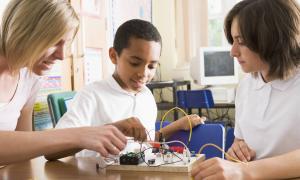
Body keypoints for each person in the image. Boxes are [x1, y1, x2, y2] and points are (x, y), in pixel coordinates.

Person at [45, 19, 205, 160]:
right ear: (114, 56)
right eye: (135, 63)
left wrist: (177, 126)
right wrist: (113, 129)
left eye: (151, 66)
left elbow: (143, 143)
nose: (143, 73)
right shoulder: (92, 95)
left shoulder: (146, 96)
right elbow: (50, 150)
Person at [0, 0, 127, 165]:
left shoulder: (30, 78)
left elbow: (24, 153)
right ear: (25, 31)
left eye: (65, 44)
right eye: (54, 42)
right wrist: (77, 135)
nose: (61, 55)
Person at [192, 0, 300, 179]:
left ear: (271, 39)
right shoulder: (246, 86)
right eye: (233, 41)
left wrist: (245, 171)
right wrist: (237, 150)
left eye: (240, 41)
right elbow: (240, 141)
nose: (232, 52)